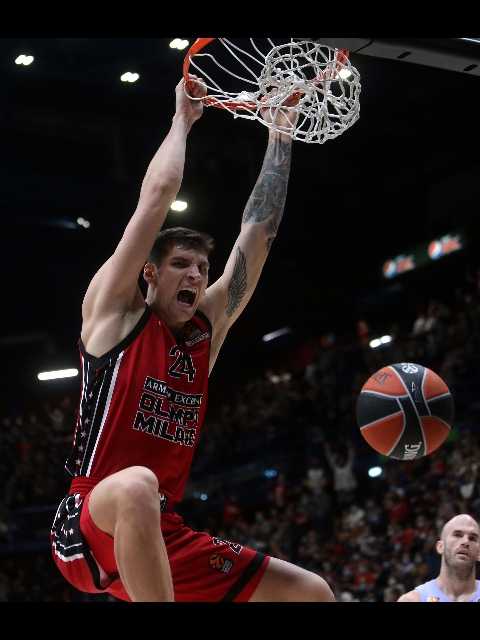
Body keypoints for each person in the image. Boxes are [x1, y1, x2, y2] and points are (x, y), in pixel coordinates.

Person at [50, 75, 334, 603]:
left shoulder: (206, 333)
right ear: (150, 274)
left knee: (310, 592)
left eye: (202, 268)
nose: (196, 276)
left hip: (161, 531)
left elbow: (259, 234)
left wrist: (280, 132)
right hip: (88, 522)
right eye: (181, 264)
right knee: (137, 483)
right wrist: (183, 119)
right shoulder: (115, 314)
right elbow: (156, 198)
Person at [397, 514, 480, 602]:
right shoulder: (412, 600)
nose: (466, 541)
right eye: (457, 535)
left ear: (479, 553)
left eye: (472, 538)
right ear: (440, 547)